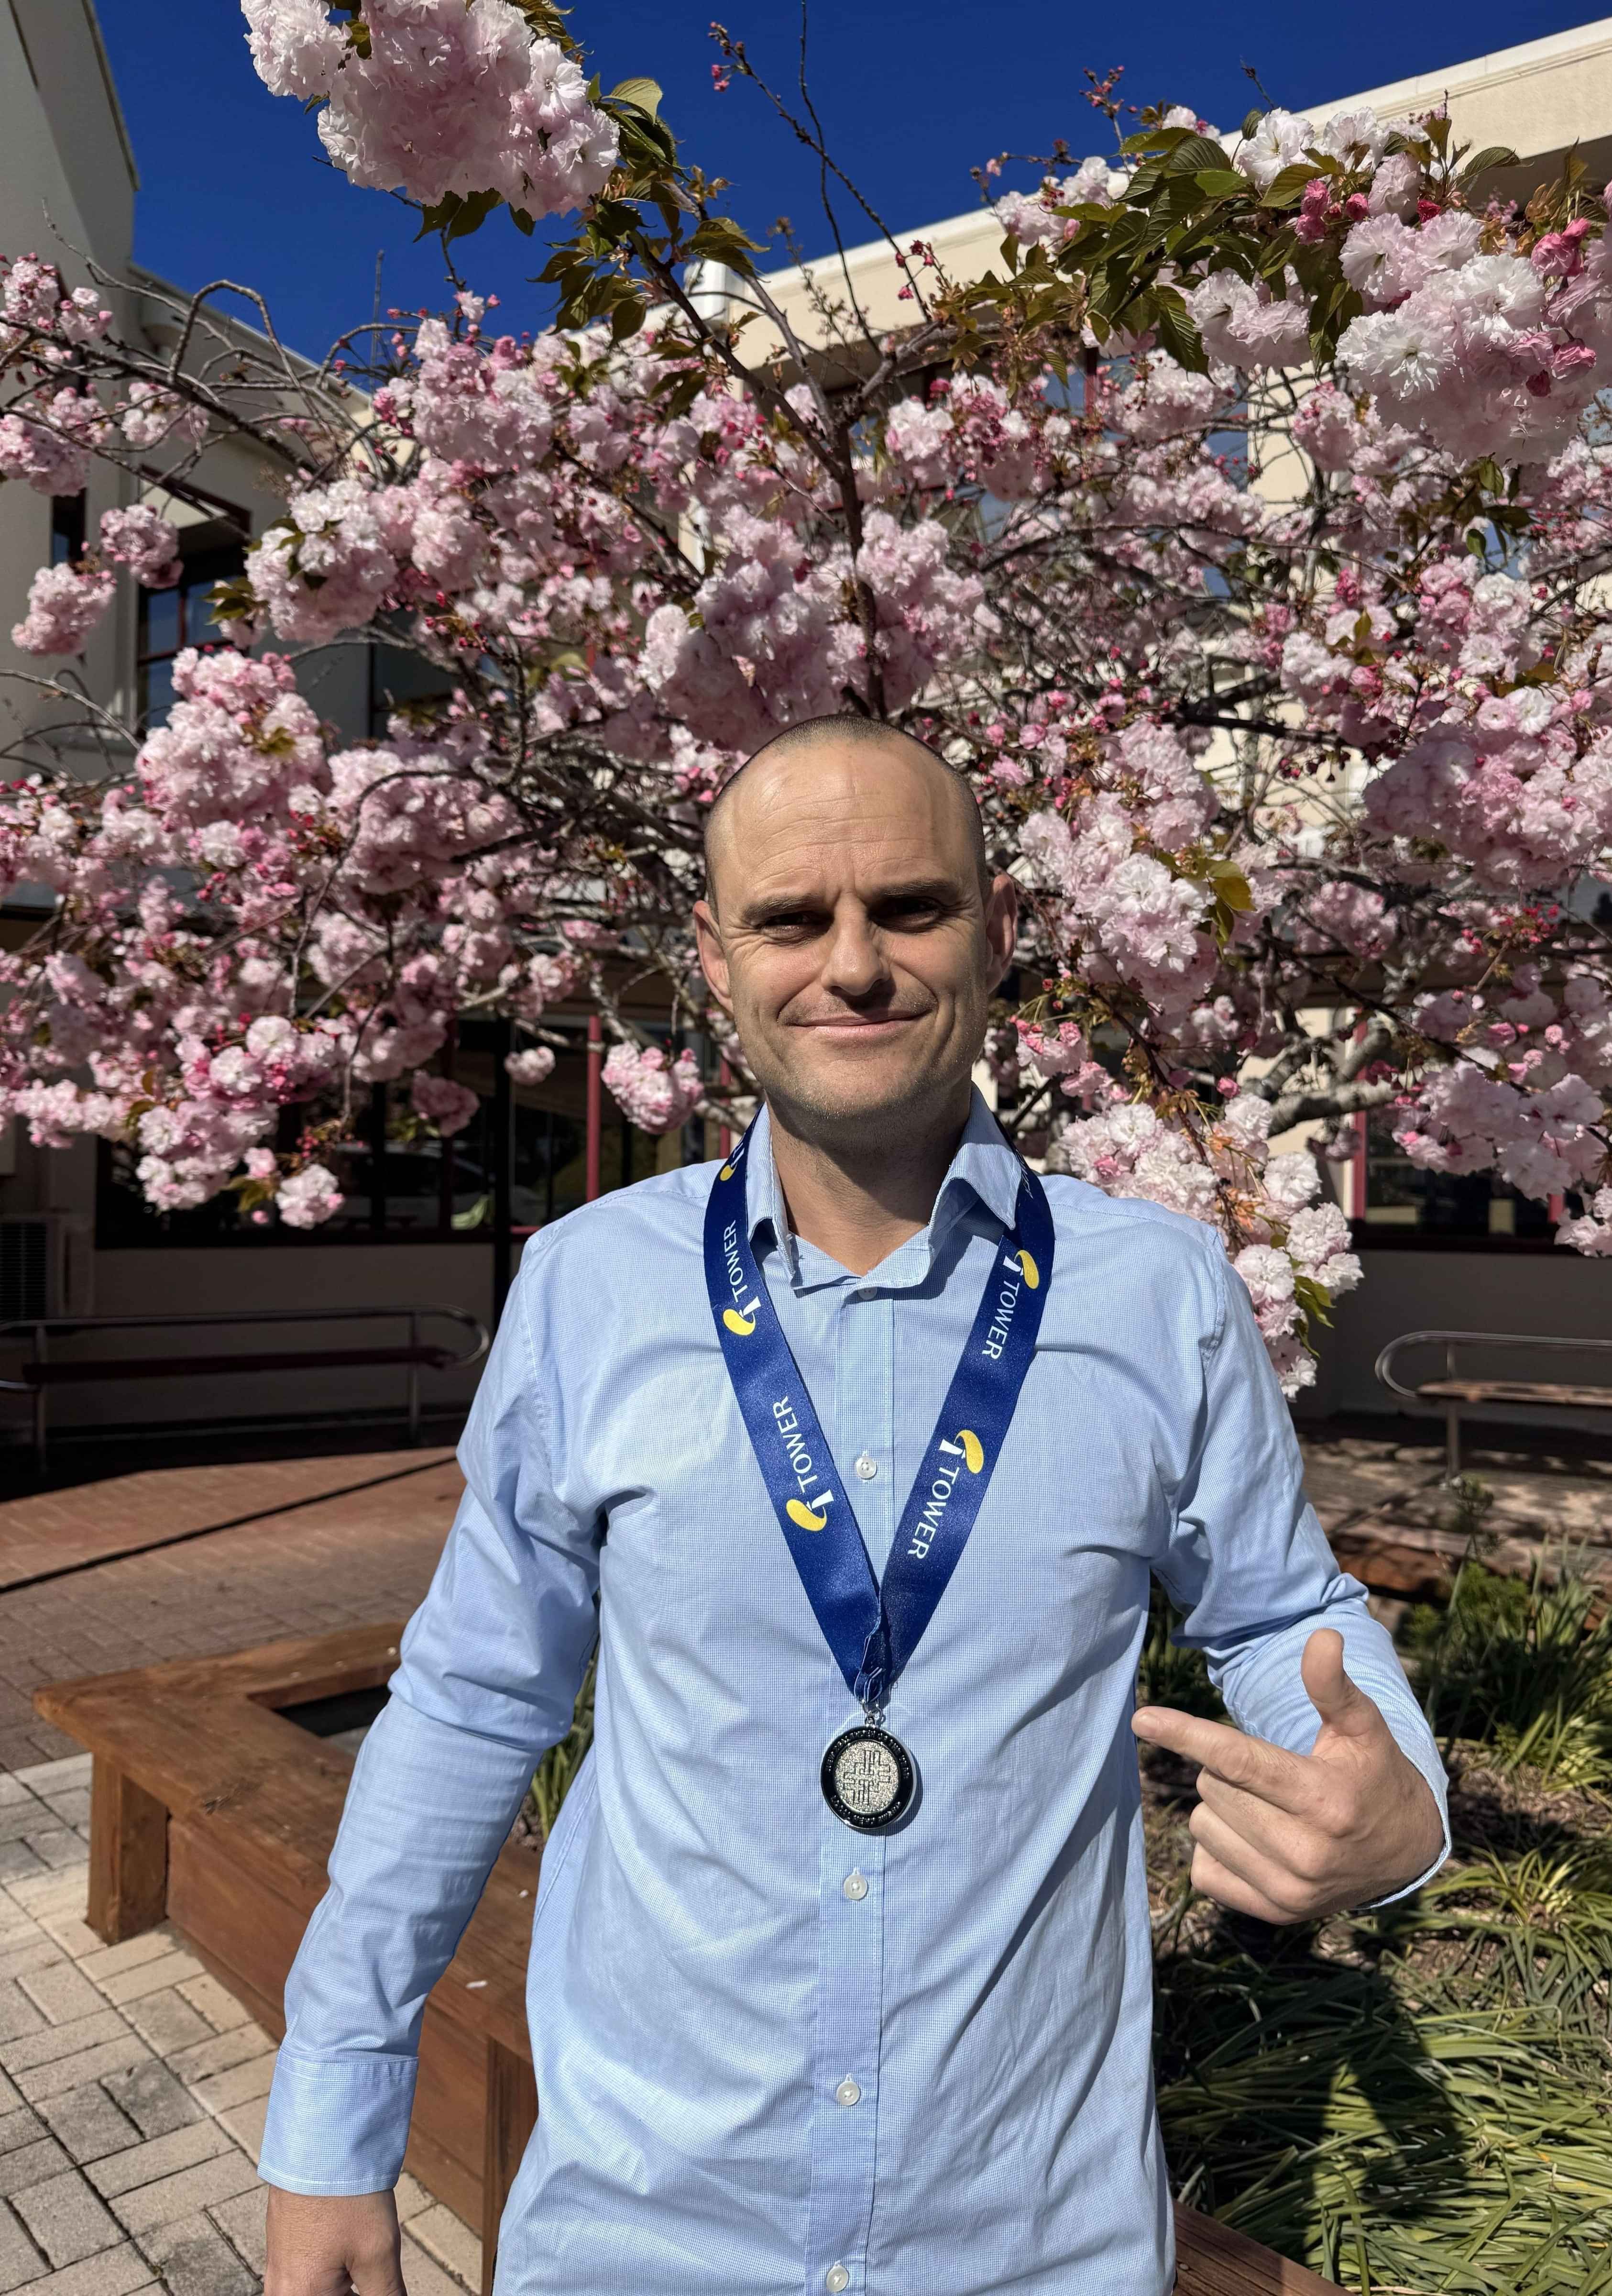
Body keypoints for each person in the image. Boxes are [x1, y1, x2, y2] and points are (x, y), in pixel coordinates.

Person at [259, 717, 1448, 2296]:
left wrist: (1395, 1799)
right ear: (714, 956)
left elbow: (1281, 1615)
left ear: (999, 931)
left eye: (909, 908)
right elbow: (475, 1700)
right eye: (790, 918)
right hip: (642, 2232)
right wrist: (334, 2119)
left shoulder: (1161, 1292)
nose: (855, 965)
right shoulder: (587, 1290)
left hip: (1036, 2242)